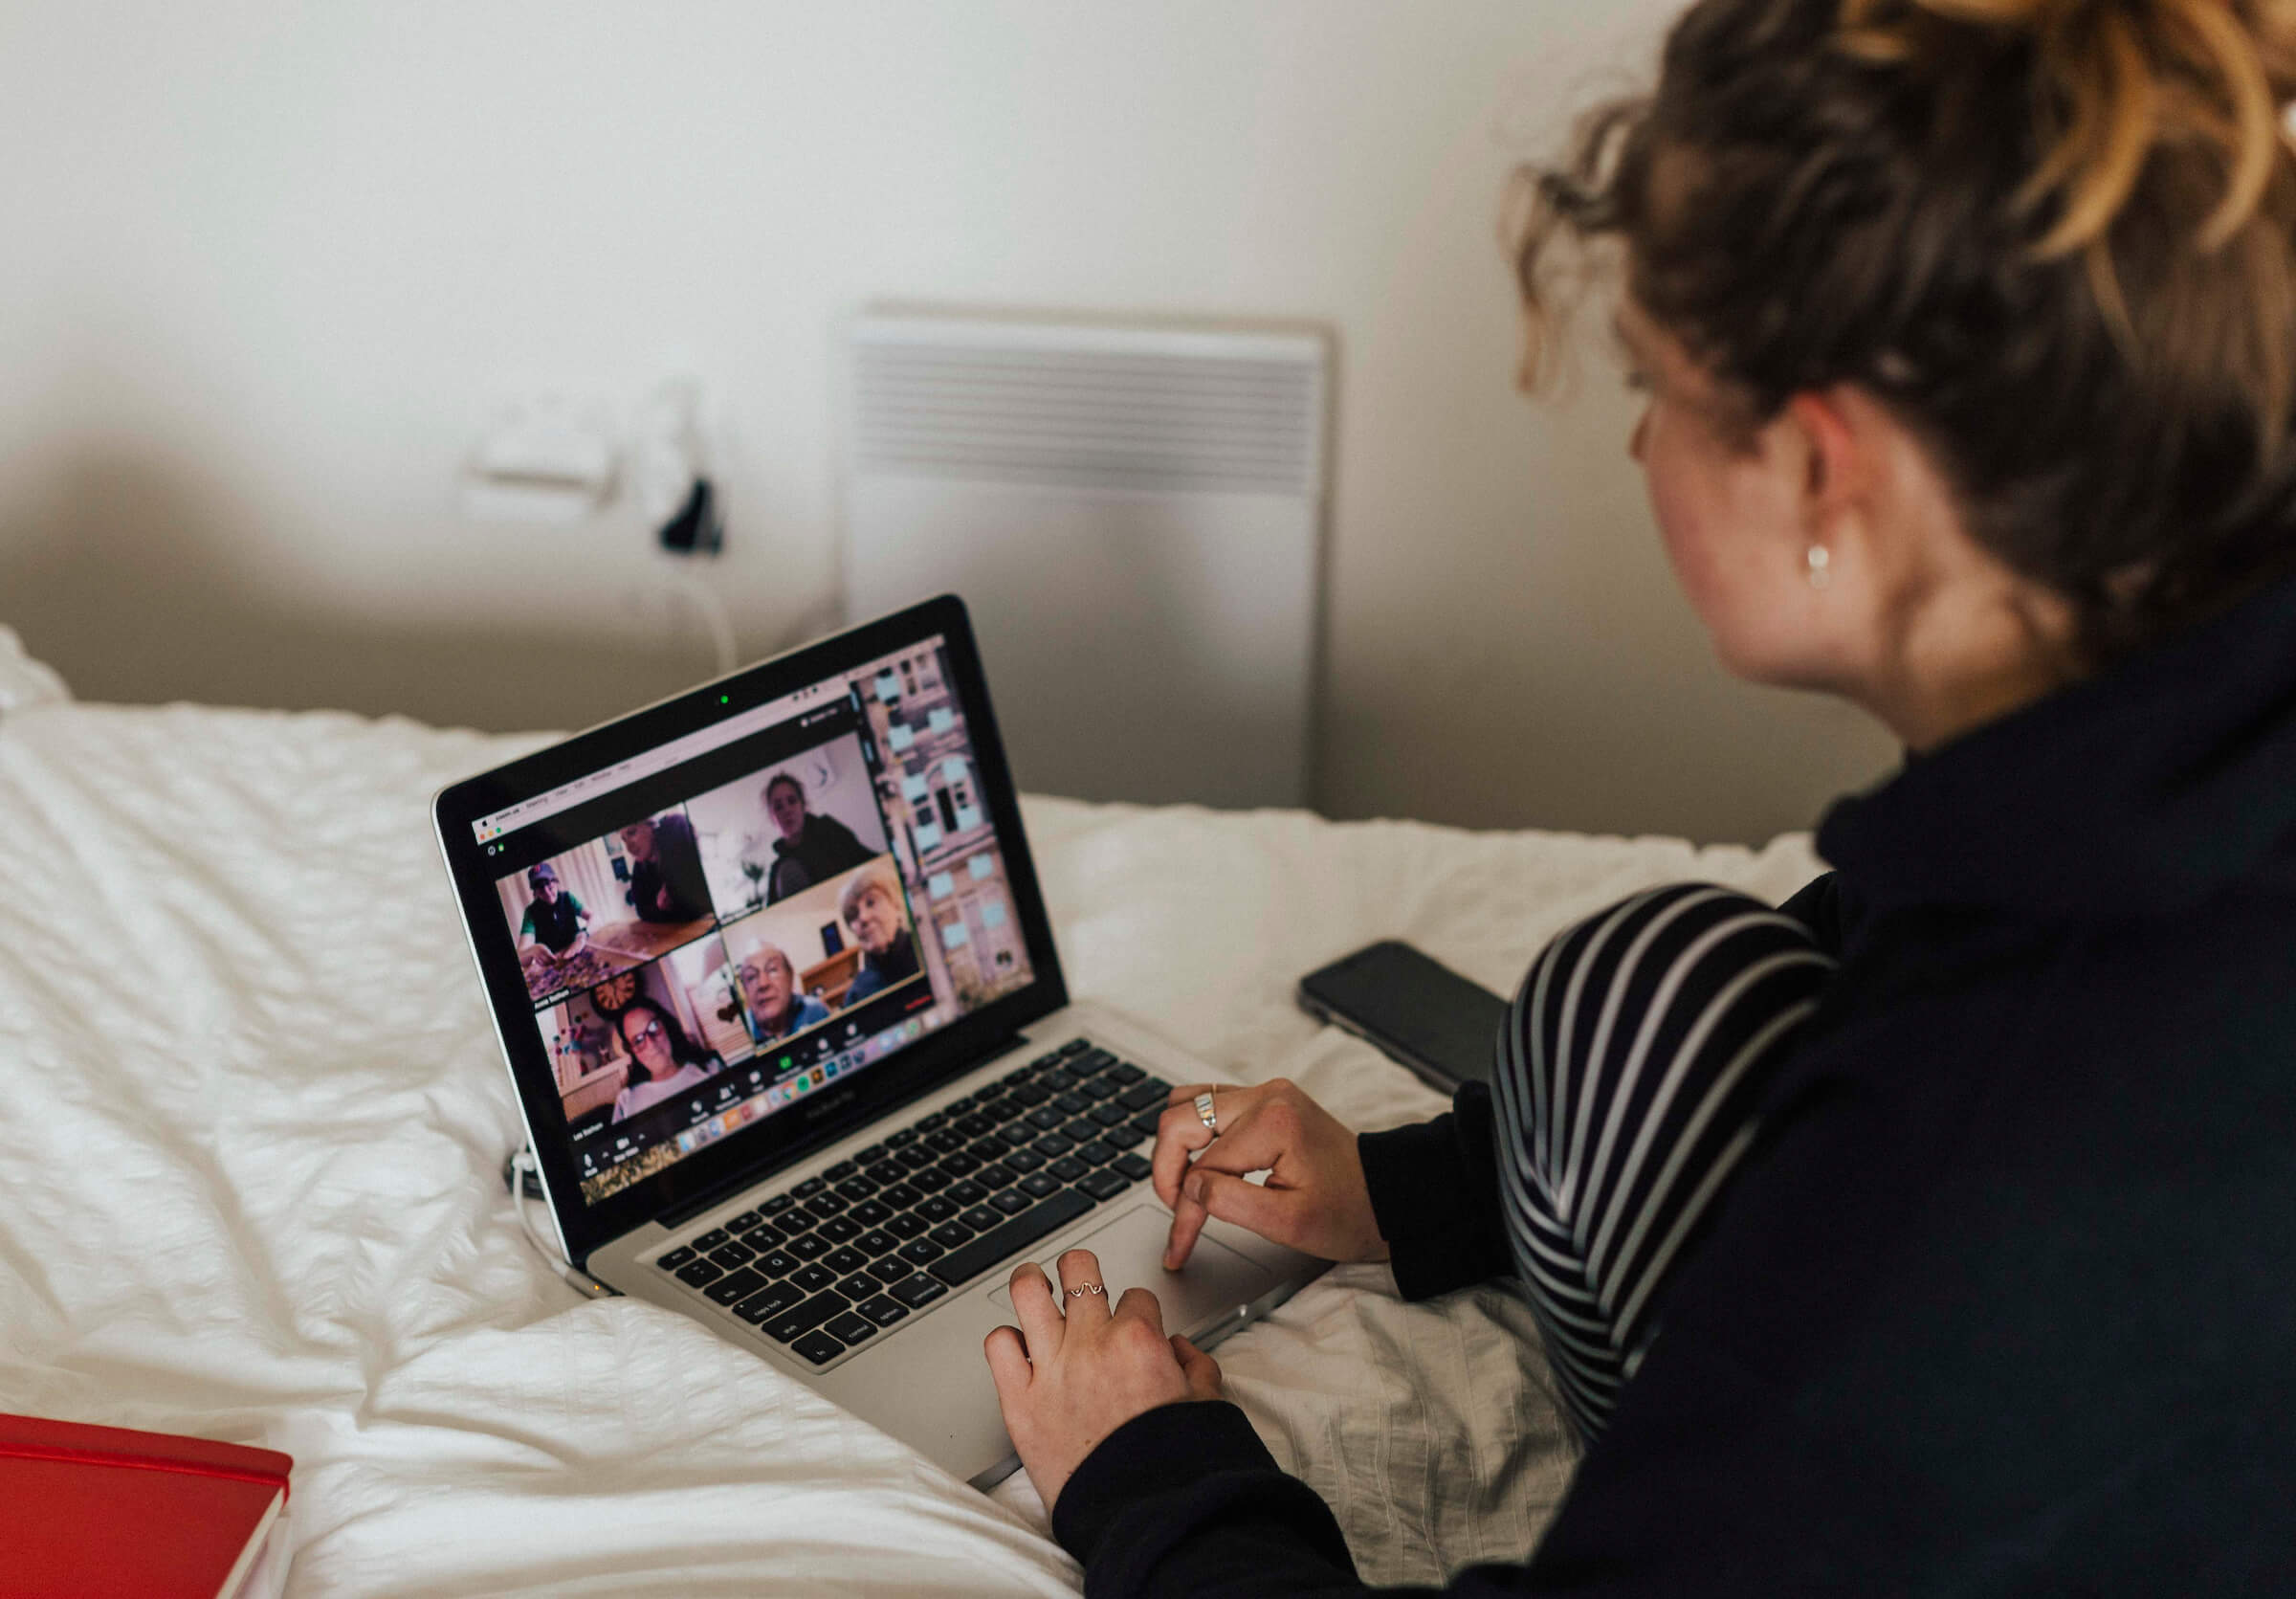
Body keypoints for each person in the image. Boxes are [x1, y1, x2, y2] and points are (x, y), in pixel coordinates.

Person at [981, 1, 2296, 1592]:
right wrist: (1405, 1192)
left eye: (1656, 382)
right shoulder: (2156, 777)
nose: (1637, 436)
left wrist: (1152, 1478)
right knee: (1652, 975)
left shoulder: (1989, 1183)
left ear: (1821, 470)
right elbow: (1883, 931)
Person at [762, 772, 875, 902]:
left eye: (792, 801)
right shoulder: (778, 870)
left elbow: (866, 860)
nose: (787, 810)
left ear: (803, 805)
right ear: (772, 817)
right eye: (778, 807)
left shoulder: (829, 830)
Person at [607, 998, 724, 1122]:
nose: (651, 1043)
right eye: (638, 1040)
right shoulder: (626, 1101)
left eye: (653, 1026)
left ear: (666, 1025)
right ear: (631, 1051)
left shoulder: (712, 1068)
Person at [838, 866, 919, 1004]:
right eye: (853, 914)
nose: (863, 917)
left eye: (871, 902)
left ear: (895, 904)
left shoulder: (930, 949)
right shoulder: (857, 995)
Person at [620, 813, 711, 924]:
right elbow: (642, 912)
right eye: (624, 840)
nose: (628, 847)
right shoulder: (640, 865)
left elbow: (690, 901)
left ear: (651, 824)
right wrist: (659, 906)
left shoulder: (675, 825)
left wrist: (662, 907)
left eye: (632, 832)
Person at [736, 943, 831, 1044]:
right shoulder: (742, 1035)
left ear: (790, 976)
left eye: (772, 970)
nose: (763, 983)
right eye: (751, 977)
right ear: (745, 990)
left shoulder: (815, 1011)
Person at [516, 863, 588, 962]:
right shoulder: (531, 912)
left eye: (549, 885)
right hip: (553, 963)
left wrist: (584, 934)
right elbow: (520, 957)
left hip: (579, 952)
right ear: (535, 892)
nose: (547, 893)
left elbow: (593, 917)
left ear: (556, 881)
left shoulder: (567, 897)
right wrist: (531, 950)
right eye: (540, 889)